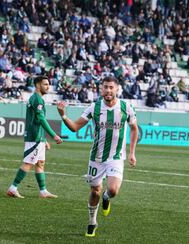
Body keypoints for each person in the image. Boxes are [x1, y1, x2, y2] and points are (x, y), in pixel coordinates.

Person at [56, 76, 138, 237]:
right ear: (101, 89)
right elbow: (75, 127)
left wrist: (132, 152)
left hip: (116, 156)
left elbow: (134, 128)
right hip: (97, 158)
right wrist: (63, 115)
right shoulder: (94, 108)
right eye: (105, 87)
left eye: (111, 87)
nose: (108, 90)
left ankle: (107, 198)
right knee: (95, 191)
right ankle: (92, 222)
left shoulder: (126, 107)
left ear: (117, 89)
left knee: (113, 190)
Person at [7, 76, 63, 198]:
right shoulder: (37, 99)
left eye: (48, 84)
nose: (48, 86)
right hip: (34, 137)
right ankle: (13, 188)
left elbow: (38, 120)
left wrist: (44, 139)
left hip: (39, 137)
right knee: (28, 163)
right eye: (45, 84)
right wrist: (53, 135)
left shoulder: (36, 99)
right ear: (38, 85)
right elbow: (41, 119)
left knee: (40, 163)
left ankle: (43, 191)